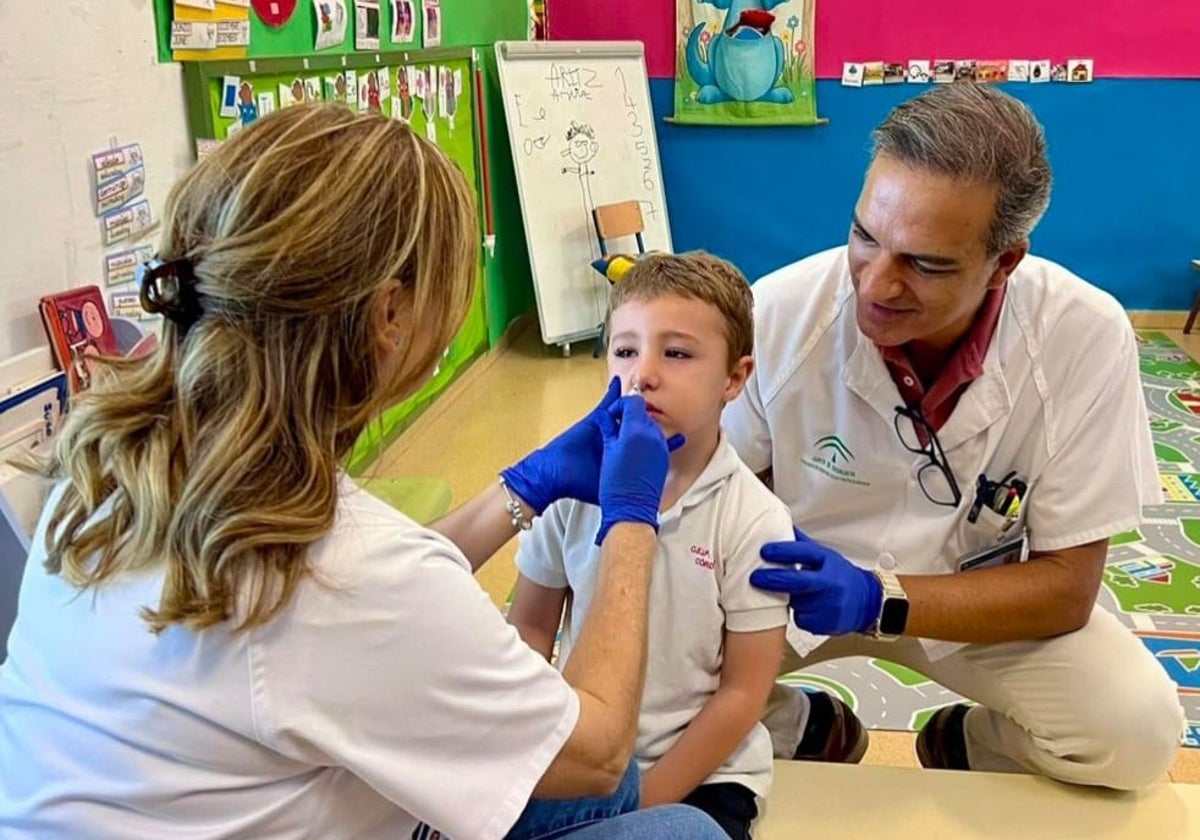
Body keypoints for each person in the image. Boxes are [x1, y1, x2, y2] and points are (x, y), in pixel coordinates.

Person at [0, 105, 726, 840]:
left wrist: (526, 485)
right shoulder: (348, 574)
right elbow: (596, 751)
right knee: (681, 832)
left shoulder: (103, 468)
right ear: (390, 314)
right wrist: (630, 516)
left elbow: (369, 610)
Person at [724, 83, 1184, 790]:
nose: (876, 284)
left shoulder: (1083, 336)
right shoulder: (779, 313)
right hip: (794, 594)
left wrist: (882, 598)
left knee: (1135, 732)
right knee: (627, 686)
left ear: (1005, 262)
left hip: (972, 603)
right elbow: (713, 505)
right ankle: (805, 728)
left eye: (926, 264)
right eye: (865, 237)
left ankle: (965, 746)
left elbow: (1066, 588)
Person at [507, 253, 793, 840]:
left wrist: (647, 797)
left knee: (689, 832)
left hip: (702, 773)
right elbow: (530, 629)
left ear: (735, 379)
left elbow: (742, 695)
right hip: (578, 751)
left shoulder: (754, 518)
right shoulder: (572, 492)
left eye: (678, 353)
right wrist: (517, 744)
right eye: (625, 350)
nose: (643, 375)